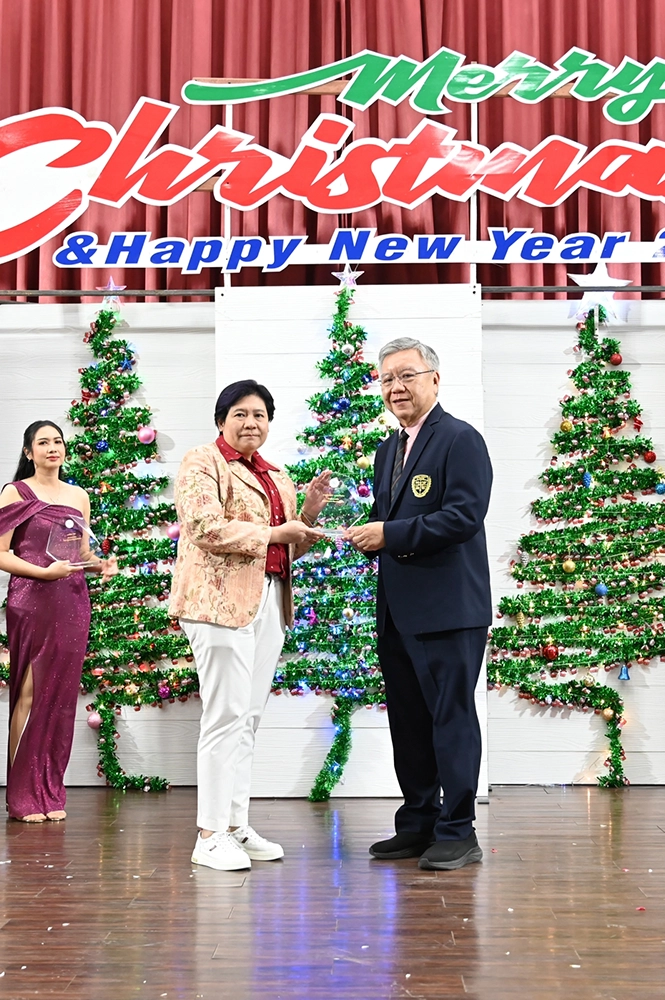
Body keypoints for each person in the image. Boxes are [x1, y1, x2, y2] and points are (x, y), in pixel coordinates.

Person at [169, 379, 329, 872]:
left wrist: (307, 514)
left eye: (259, 414)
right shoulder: (202, 461)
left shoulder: (276, 475)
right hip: (216, 604)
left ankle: (235, 824)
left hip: (270, 600)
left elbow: (285, 548)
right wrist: (276, 531)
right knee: (226, 714)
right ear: (221, 420)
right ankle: (209, 834)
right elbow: (204, 527)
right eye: (239, 413)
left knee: (249, 717)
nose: (250, 422)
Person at [346, 337, 493, 871]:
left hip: (449, 609)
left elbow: (464, 516)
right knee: (408, 721)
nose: (396, 387)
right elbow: (392, 518)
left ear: (434, 378)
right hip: (397, 610)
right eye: (386, 379)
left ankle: (458, 829)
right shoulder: (389, 448)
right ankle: (418, 822)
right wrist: (365, 532)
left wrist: (387, 534)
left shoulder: (460, 439)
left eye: (406, 375)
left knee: (450, 717)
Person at [0, 420, 117, 822]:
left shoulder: (78, 495)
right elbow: (1, 553)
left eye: (58, 441)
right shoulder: (15, 492)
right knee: (30, 693)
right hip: (31, 599)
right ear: (29, 452)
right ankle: (22, 796)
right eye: (43, 442)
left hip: (72, 601)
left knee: (62, 698)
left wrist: (100, 564)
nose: (53, 447)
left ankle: (49, 792)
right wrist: (43, 573)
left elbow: (80, 553)